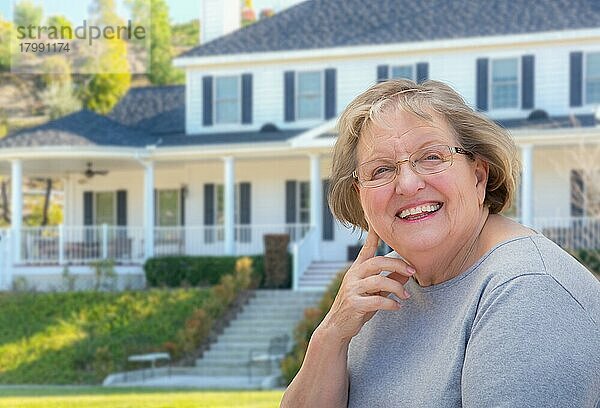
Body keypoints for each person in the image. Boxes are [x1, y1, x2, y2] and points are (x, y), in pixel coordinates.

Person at [280, 79, 600, 407]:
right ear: (360, 196)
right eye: (380, 170)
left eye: (431, 157)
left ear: (478, 175)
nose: (407, 184)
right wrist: (331, 333)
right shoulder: (379, 296)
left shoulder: (528, 291)